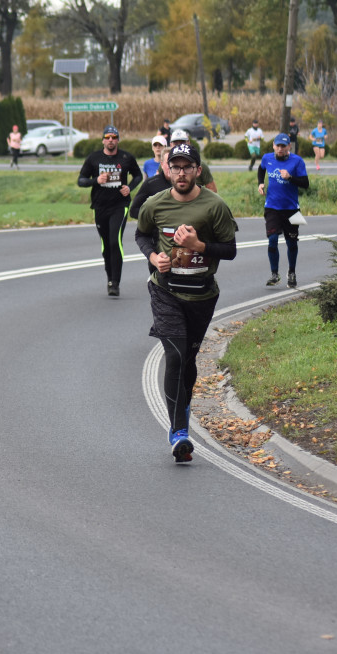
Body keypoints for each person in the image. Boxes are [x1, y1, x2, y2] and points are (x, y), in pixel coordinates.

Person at [135, 142, 238, 463]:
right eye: (175, 166)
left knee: (189, 359)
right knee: (175, 355)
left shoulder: (214, 206)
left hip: (202, 293)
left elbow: (230, 250)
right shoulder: (155, 204)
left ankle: (183, 405)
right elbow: (142, 235)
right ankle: (179, 431)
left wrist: (198, 244)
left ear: (197, 171)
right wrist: (154, 258)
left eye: (187, 167)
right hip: (165, 290)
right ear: (167, 170)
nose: (181, 172)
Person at [77, 125, 143, 297]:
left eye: (114, 137)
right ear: (103, 140)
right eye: (108, 137)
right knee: (106, 245)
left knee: (115, 242)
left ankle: (116, 282)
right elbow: (81, 180)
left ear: (118, 140)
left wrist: (130, 187)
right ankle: (110, 279)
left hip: (120, 206)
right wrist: (96, 180)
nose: (111, 140)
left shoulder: (126, 157)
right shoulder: (94, 158)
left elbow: (138, 175)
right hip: (100, 206)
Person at [258, 133, 309, 288]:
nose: (280, 149)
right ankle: (275, 274)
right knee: (272, 240)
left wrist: (290, 178)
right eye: (277, 145)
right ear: (273, 145)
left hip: (291, 209)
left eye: (283, 146)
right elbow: (261, 170)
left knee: (291, 243)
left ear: (289, 147)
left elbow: (305, 184)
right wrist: (260, 183)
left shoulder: (297, 161)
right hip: (272, 207)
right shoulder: (267, 158)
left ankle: (291, 272)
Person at [130, 145, 172, 220]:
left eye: (174, 162)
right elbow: (134, 210)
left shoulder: (185, 184)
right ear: (162, 164)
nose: (171, 165)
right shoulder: (150, 183)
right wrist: (154, 217)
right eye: (168, 162)